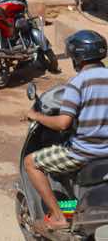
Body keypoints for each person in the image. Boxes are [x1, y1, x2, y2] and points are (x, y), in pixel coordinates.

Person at [24, 29, 108, 234]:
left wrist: (36, 116)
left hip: (85, 151)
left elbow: (63, 123)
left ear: (77, 57)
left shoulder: (78, 83)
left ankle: (59, 216)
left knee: (31, 163)